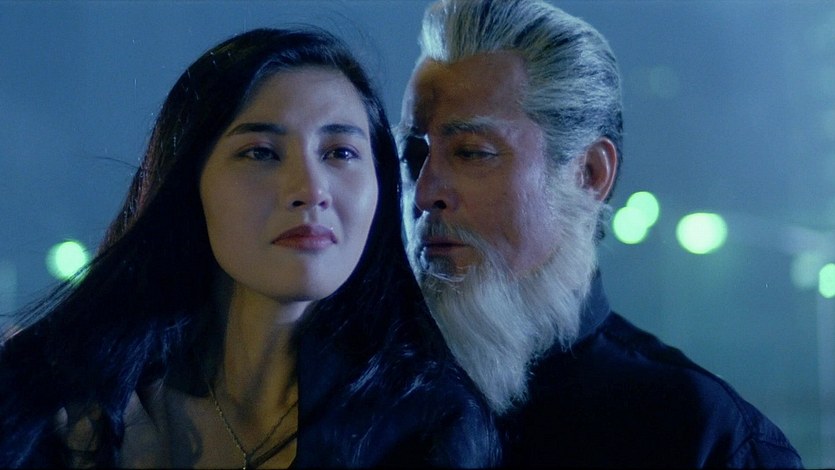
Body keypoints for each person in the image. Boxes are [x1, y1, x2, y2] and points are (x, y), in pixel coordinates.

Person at [0, 27, 500, 468]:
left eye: (340, 152)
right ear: (190, 182)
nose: (310, 189)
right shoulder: (63, 404)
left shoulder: (427, 427)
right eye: (260, 152)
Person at [396, 0, 803, 467]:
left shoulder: (699, 435)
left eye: (471, 153)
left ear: (589, 174)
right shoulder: (360, 401)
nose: (424, 192)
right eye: (410, 155)